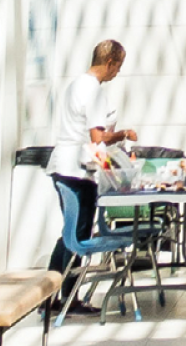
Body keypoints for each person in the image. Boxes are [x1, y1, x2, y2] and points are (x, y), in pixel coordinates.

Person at [47, 40, 133, 271]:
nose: (117, 72)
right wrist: (123, 134)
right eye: (118, 66)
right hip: (78, 171)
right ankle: (69, 295)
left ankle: (51, 293)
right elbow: (97, 137)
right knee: (79, 234)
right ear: (110, 62)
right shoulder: (94, 91)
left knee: (69, 232)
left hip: (61, 166)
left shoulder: (75, 85)